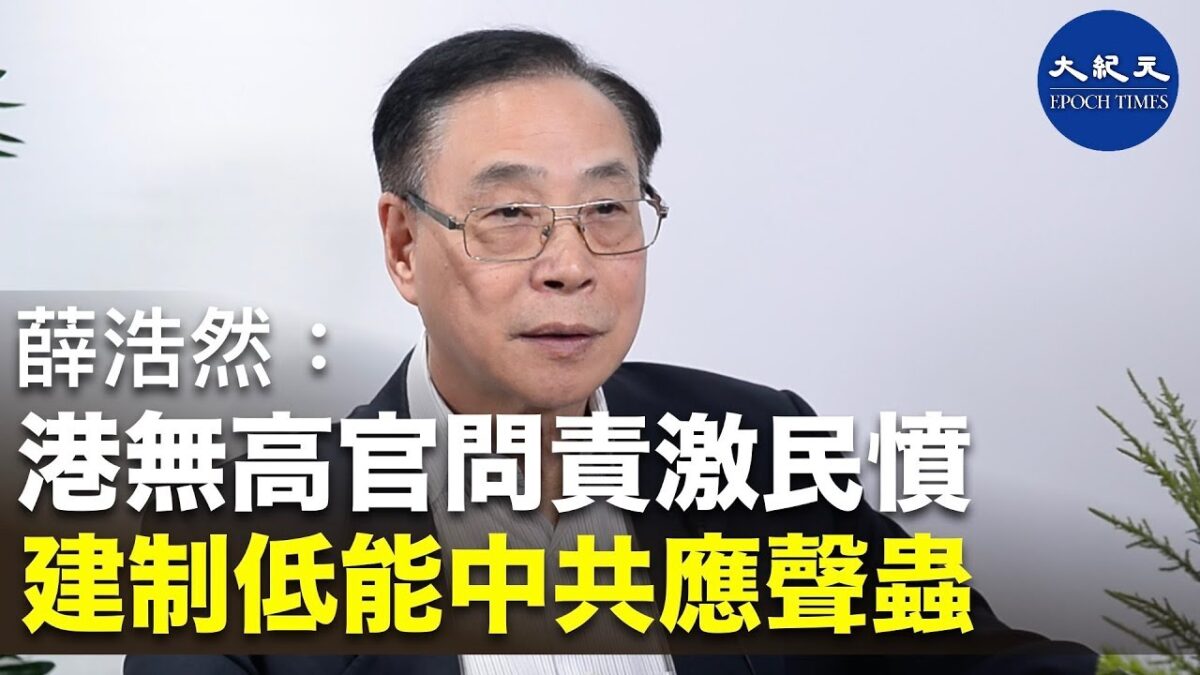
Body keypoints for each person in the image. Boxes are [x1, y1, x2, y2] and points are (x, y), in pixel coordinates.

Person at [126, 28, 1097, 675]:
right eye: (511, 214)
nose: (570, 265)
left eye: (606, 208)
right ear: (403, 245)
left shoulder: (755, 448)